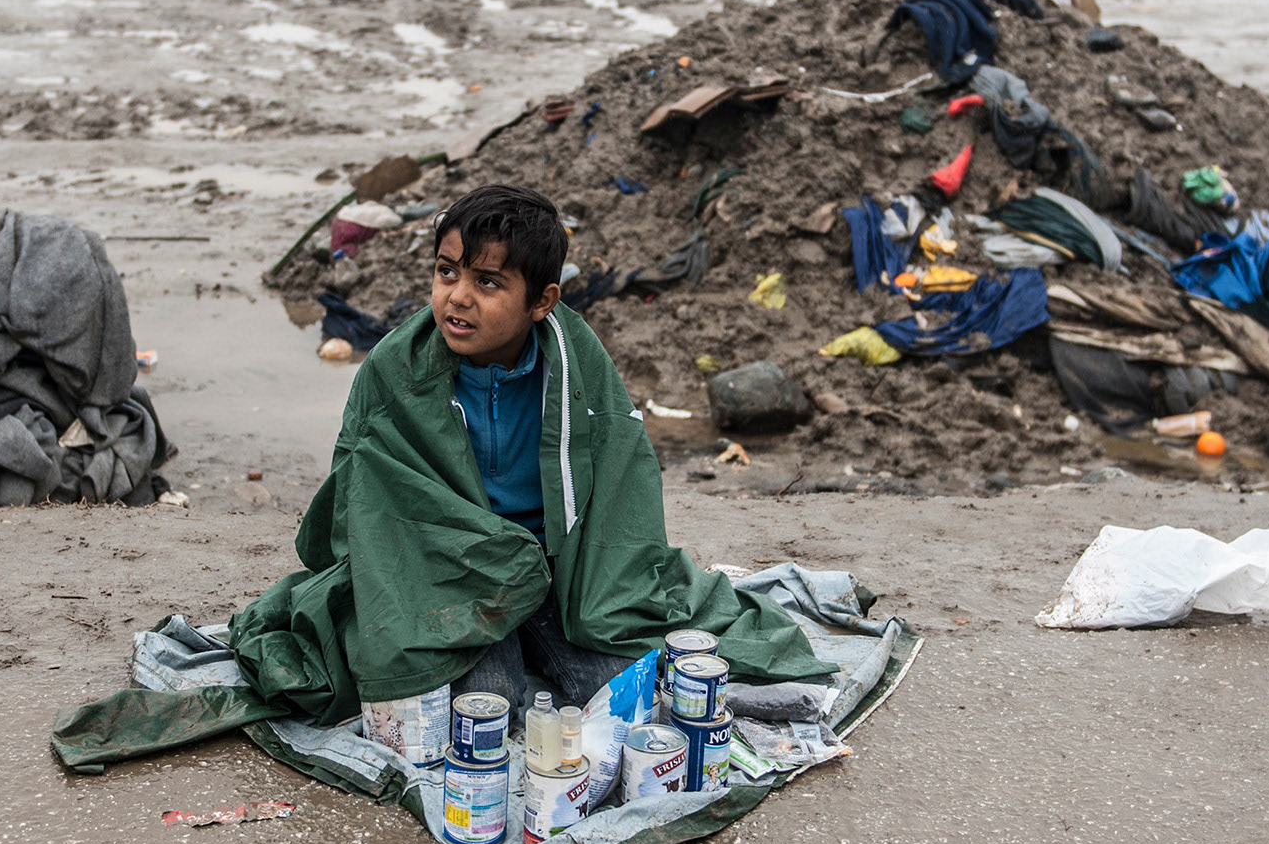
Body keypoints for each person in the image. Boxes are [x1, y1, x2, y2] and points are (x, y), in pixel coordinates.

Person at [224, 183, 835, 724]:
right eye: (447, 272)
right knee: (483, 701)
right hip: (449, 575)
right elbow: (366, 497)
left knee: (623, 691)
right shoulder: (393, 370)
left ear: (541, 301)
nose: (458, 297)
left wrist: (596, 580)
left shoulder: (577, 364)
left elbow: (622, 481)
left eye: (488, 282)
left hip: (561, 570)